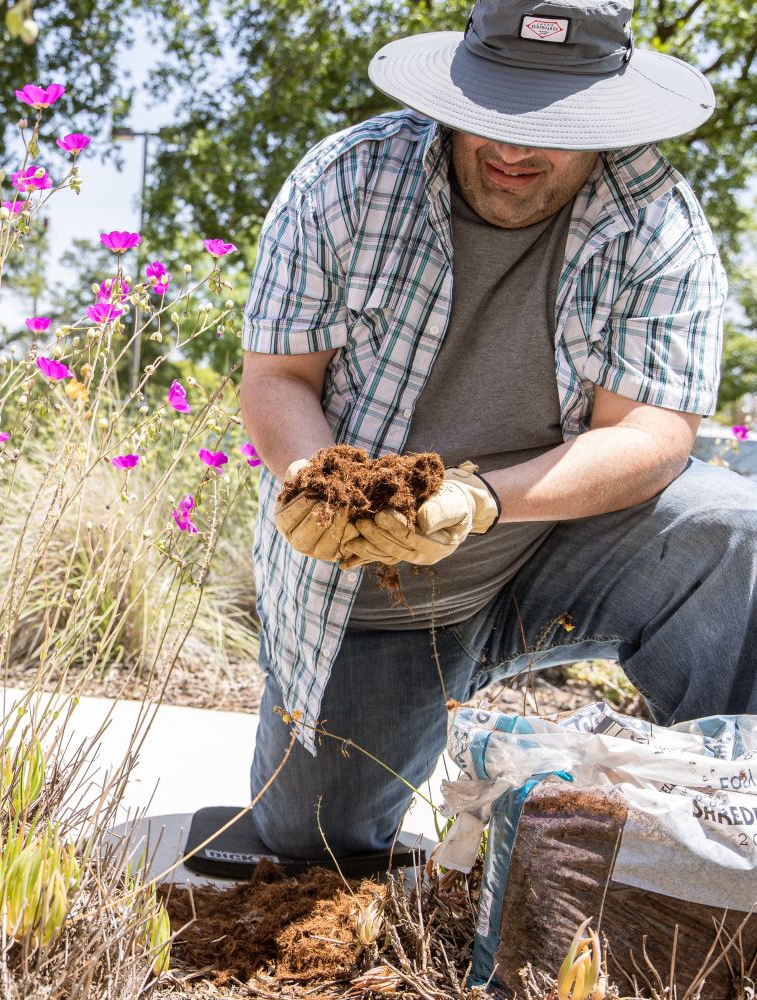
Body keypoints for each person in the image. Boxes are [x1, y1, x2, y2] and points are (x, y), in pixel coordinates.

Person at [240, 0, 753, 860]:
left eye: (549, 126)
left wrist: (478, 498)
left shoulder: (659, 221)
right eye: (493, 116)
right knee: (310, 843)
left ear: (608, 114)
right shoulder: (348, 180)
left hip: (565, 536)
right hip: (384, 581)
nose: (512, 150)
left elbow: (655, 432)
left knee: (735, 531)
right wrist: (314, 480)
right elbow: (279, 377)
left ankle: (729, 827)